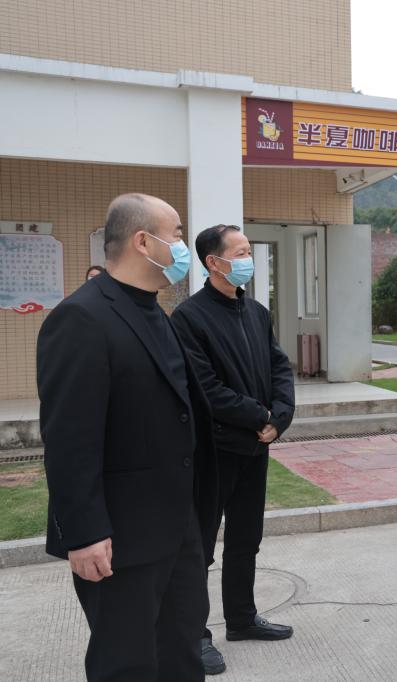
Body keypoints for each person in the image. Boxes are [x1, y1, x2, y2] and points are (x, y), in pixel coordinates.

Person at [37, 193, 218, 681]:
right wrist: (84, 534)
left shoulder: (157, 312)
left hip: (177, 528)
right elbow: (69, 437)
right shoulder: (82, 317)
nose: (182, 246)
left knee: (182, 652)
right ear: (143, 241)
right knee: (127, 663)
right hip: (120, 538)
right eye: (176, 234)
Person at [171, 225, 296, 675]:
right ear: (214, 262)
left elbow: (279, 367)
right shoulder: (188, 318)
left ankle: (241, 619)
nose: (248, 259)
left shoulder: (256, 312)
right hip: (214, 450)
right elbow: (204, 387)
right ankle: (195, 635)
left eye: (248, 251)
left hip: (256, 447)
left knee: (246, 538)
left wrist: (280, 416)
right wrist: (259, 416)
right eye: (241, 252)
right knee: (200, 546)